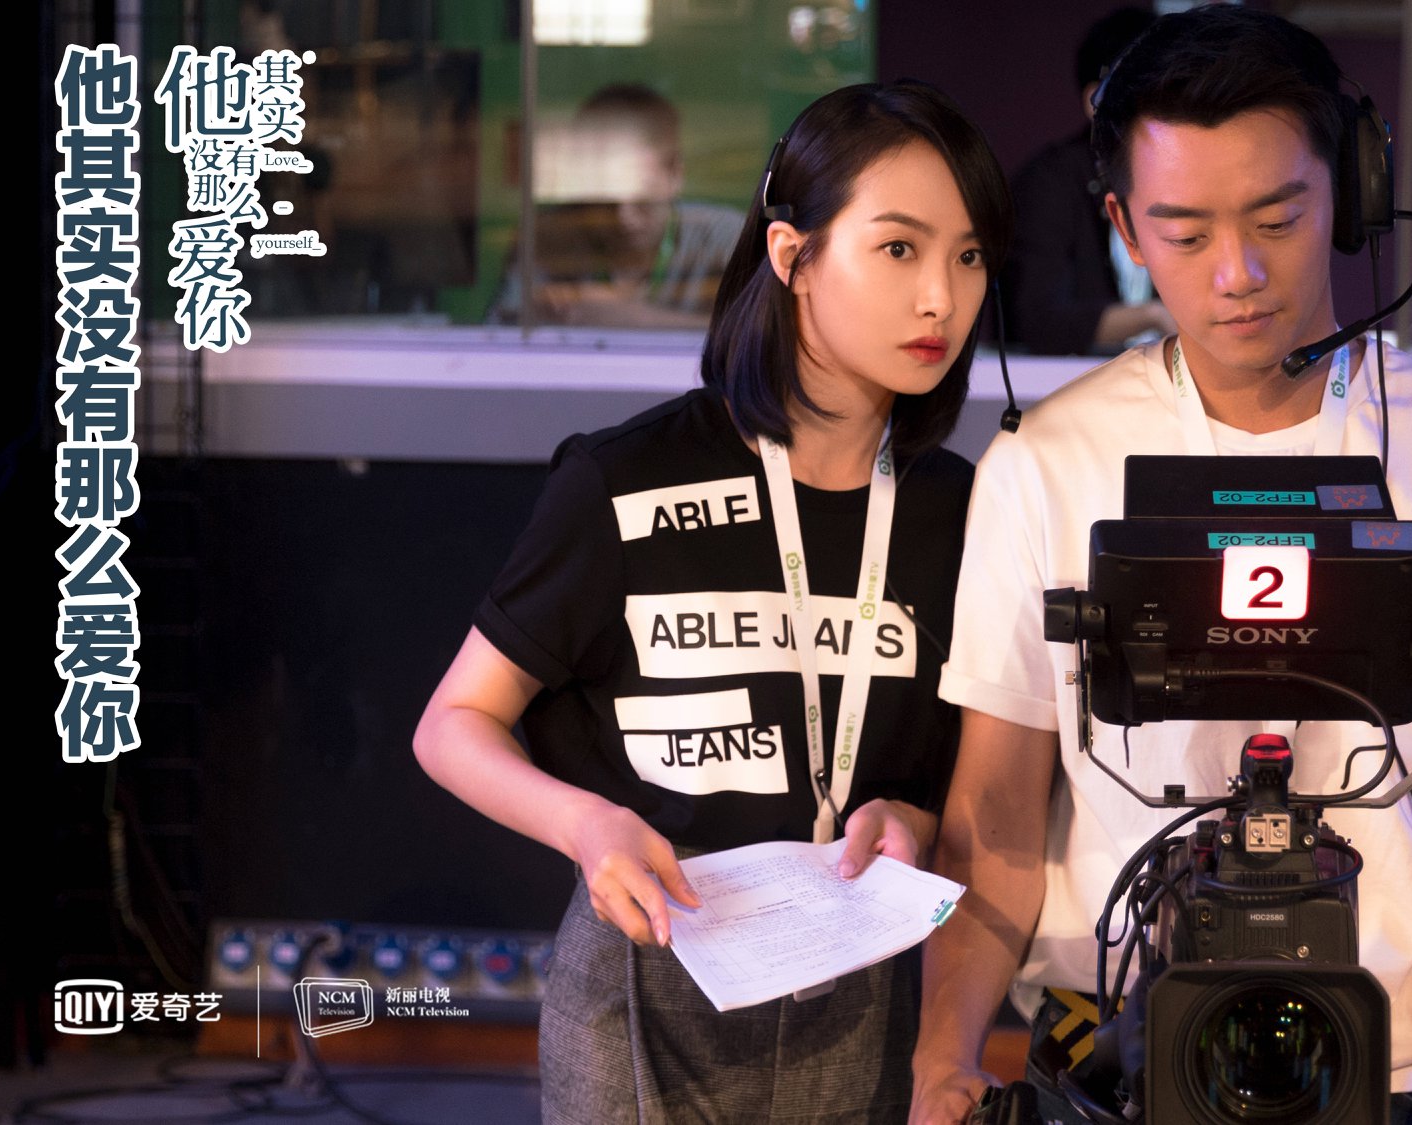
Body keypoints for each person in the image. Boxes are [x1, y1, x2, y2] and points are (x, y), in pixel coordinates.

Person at [900, 8, 1412, 1125]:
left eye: (1278, 218)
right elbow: (994, 806)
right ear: (1123, 227)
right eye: (1184, 235)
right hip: (1106, 1065)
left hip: (1392, 1070)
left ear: (1351, 194)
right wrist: (941, 1059)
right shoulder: (1044, 463)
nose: (1237, 273)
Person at [414, 80, 1011, 1124]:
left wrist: (907, 818)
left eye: (968, 257)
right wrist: (587, 825)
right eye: (898, 248)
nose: (940, 300)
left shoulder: (962, 512)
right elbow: (452, 724)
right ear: (792, 255)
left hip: (855, 979)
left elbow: (944, 779)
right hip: (648, 969)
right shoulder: (625, 478)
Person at [491, 83, 744, 329]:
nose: (624, 218)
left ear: (675, 175)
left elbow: (760, 338)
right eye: (605, 202)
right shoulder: (545, 237)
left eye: (643, 202)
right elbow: (498, 335)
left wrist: (632, 319)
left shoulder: (728, 239)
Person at [1004, 6, 1176, 355]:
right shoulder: (1051, 181)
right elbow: (1038, 320)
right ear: (1095, 102)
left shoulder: (1180, 175)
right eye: (1148, 91)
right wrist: (1154, 316)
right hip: (1073, 378)